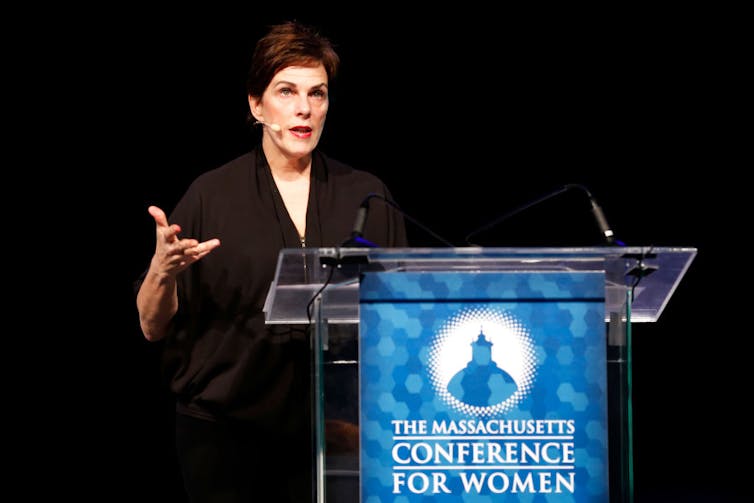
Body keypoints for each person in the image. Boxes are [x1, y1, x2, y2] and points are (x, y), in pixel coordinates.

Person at [135, 20, 408, 502]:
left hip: (337, 435)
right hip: (225, 440)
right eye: (286, 91)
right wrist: (162, 272)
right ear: (255, 105)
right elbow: (152, 328)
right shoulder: (211, 196)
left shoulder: (366, 196)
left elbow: (402, 318)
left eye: (317, 94)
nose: (304, 108)